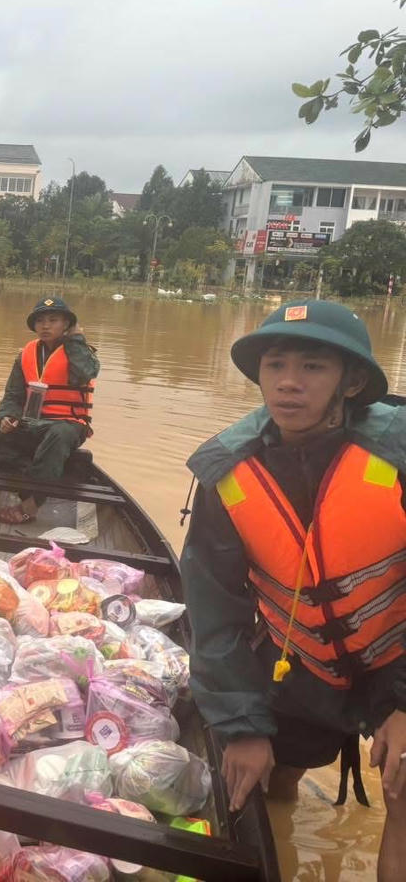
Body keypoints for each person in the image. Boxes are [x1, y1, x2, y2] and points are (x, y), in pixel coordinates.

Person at [180, 299, 406, 881]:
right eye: (275, 364)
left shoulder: (398, 457)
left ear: (351, 381)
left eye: (312, 367)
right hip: (296, 660)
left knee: (404, 787)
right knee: (272, 779)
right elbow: (215, 612)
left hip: (397, 658)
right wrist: (243, 728)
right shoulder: (230, 473)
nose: (288, 384)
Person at [0, 296, 98, 524]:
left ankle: (30, 504)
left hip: (68, 426)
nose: (45, 325)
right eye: (40, 321)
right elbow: (12, 396)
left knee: (58, 435)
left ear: (67, 324)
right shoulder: (26, 354)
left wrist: (77, 339)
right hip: (32, 425)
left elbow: (85, 373)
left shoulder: (81, 352)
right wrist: (7, 417)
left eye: (53, 320)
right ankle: (44, 473)